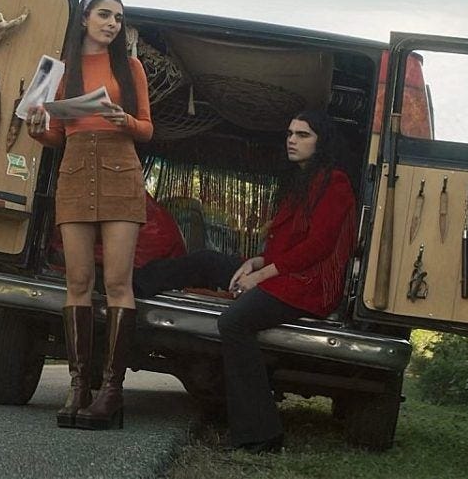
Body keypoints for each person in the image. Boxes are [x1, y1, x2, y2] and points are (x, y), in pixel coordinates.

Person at [132, 109, 356, 452]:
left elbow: (318, 247)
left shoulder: (335, 183)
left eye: (303, 135)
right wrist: (256, 261)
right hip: (282, 273)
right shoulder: (300, 181)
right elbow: (286, 246)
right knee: (206, 260)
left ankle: (261, 433)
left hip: (308, 285)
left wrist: (261, 276)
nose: (292, 140)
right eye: (290, 133)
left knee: (234, 322)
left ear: (321, 142)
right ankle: (130, 286)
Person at [27, 0, 153, 430]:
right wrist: (37, 130)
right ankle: (79, 386)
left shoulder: (131, 67)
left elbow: (147, 128)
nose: (112, 23)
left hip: (120, 171)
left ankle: (111, 391)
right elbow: (57, 135)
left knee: (117, 283)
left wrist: (125, 120)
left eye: (118, 18)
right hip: (76, 172)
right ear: (84, 19)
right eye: (104, 15)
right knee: (77, 282)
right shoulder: (60, 69)